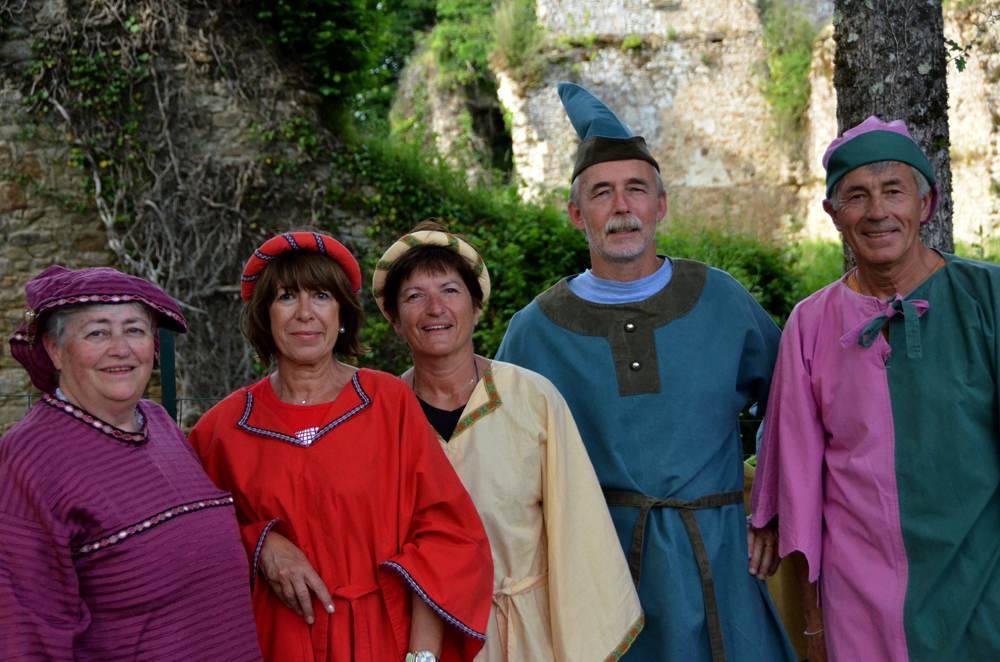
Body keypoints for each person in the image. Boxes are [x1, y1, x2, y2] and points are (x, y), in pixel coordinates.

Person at [495, 83, 798, 662]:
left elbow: (790, 407)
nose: (622, 207)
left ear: (661, 204)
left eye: (637, 189)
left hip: (721, 557)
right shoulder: (535, 329)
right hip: (598, 569)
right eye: (602, 193)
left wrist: (772, 504)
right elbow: (505, 463)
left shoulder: (721, 301)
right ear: (575, 213)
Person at [750, 116, 1000, 662]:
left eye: (894, 191)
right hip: (860, 600)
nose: (878, 211)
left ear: (926, 203)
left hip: (984, 584)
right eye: (857, 196)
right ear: (834, 215)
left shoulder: (988, 299)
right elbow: (798, 476)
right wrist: (813, 626)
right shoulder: (811, 323)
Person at [189, 231, 493, 662]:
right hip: (273, 644)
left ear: (343, 314)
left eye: (321, 296)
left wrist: (422, 657)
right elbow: (189, 545)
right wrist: (261, 543)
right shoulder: (221, 429)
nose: (305, 314)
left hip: (383, 640)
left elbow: (446, 535)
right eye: (286, 297)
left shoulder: (388, 402)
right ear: (264, 316)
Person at [372, 221, 645, 662]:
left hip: (528, 636)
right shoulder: (381, 416)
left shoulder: (534, 399)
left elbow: (579, 531)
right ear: (396, 321)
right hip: (422, 643)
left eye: (450, 290)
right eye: (414, 296)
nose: (435, 308)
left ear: (478, 308)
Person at [0, 265, 262, 662]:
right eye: (97, 332)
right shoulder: (29, 459)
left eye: (135, 330)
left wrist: (266, 543)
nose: (120, 348)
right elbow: (26, 633)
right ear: (54, 349)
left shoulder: (157, 421)